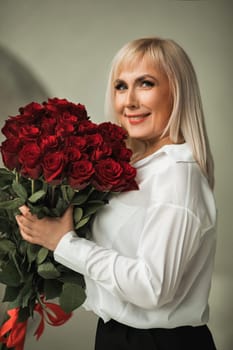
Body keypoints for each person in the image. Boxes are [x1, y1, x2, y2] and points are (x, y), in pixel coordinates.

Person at [16, 37, 217, 350]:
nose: (129, 101)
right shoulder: (139, 167)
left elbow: (152, 288)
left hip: (158, 343)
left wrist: (63, 243)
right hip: (118, 336)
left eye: (145, 84)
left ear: (177, 92)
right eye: (121, 86)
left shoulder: (177, 176)